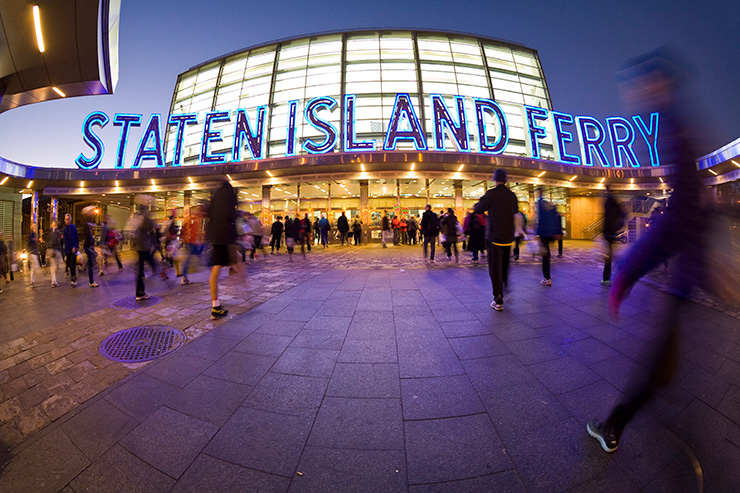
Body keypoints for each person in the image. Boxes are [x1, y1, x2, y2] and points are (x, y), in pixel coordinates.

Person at [586, 48, 733, 455]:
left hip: (685, 276)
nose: (632, 94)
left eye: (636, 85)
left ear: (657, 84)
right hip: (689, 275)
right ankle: (639, 407)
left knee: (657, 364)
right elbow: (698, 206)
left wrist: (629, 270)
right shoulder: (680, 124)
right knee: (664, 363)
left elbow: (684, 210)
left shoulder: (673, 127)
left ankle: (615, 424)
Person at [474, 169, 518, 311]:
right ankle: (505, 288)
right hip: (508, 237)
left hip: (494, 238)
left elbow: (479, 208)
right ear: (505, 180)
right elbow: (515, 210)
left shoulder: (491, 194)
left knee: (495, 268)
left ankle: (498, 299)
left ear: (495, 179)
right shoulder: (512, 196)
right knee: (505, 266)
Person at [207, 181, 238, 319]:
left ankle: (216, 305)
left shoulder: (216, 199)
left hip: (216, 238)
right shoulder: (229, 197)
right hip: (225, 238)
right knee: (233, 264)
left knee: (216, 270)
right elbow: (231, 217)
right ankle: (215, 307)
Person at [536, 189, 560, 286]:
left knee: (545, 256)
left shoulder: (540, 203)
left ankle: (547, 278)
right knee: (546, 255)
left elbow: (540, 219)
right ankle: (547, 277)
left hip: (544, 233)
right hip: (551, 233)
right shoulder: (548, 205)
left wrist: (537, 233)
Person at [601, 185, 624, 286]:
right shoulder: (615, 203)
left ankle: (607, 279)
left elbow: (607, 219)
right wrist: (617, 228)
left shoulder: (609, 202)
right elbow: (621, 215)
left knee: (608, 256)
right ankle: (608, 277)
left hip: (608, 232)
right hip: (612, 232)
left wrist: (605, 231)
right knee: (609, 255)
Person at [130, 203, 154, 301]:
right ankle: (140, 293)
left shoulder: (136, 217)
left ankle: (140, 292)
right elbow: (148, 226)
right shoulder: (143, 218)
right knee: (143, 268)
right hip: (142, 247)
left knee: (141, 269)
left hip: (139, 247)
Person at [179, 206, 205, 285]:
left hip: (189, 242)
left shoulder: (189, 219)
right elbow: (192, 232)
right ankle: (184, 276)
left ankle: (184, 276)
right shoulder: (194, 220)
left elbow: (183, 230)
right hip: (190, 243)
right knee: (188, 259)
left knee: (188, 259)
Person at [81, 207, 100, 287]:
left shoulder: (87, 223)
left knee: (92, 261)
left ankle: (84, 269)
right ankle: (91, 281)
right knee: (91, 263)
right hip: (89, 246)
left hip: (89, 246)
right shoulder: (86, 223)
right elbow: (87, 228)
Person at [62, 213, 79, 286]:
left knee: (73, 264)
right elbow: (66, 240)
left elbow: (76, 237)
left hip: (73, 249)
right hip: (68, 249)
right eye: (66, 219)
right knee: (68, 262)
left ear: (70, 220)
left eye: (68, 219)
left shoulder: (73, 227)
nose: (67, 221)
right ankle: (68, 272)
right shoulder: (64, 229)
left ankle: (73, 278)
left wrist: (76, 246)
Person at [48, 221, 62, 287]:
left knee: (53, 266)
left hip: (53, 250)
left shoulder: (52, 233)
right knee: (54, 266)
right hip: (54, 250)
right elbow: (54, 242)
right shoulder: (54, 233)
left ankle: (54, 280)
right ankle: (54, 281)